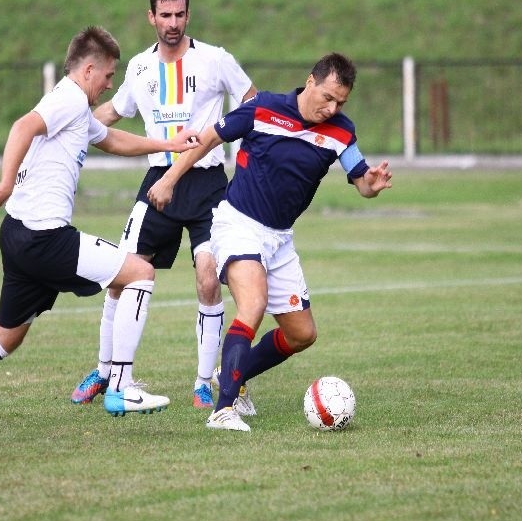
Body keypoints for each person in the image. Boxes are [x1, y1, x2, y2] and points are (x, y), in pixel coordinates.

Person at [0, 26, 199, 433]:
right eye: (109, 75)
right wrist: (5, 184)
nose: (110, 84)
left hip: (18, 236)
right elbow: (22, 127)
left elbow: (110, 139)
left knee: (6, 337)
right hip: (46, 237)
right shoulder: (69, 99)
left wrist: (170, 144)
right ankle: (121, 386)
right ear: (90, 69)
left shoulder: (75, 106)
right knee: (140, 273)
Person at [147, 53, 393, 431]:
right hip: (238, 223)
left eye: (340, 102)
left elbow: (361, 180)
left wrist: (371, 187)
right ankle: (223, 409)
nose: (332, 107)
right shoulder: (261, 108)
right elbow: (209, 138)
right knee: (254, 303)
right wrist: (169, 179)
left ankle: (233, 373)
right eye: (327, 97)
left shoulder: (343, 133)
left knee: (302, 334)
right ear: (310, 81)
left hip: (279, 240)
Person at [70, 0, 257, 411]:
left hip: (208, 184)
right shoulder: (137, 67)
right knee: (122, 275)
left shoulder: (215, 60)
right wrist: (65, 122)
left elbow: (251, 101)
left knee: (209, 278)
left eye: (179, 14)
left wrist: (247, 151)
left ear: (188, 14)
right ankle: (106, 372)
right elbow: (111, 113)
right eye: (164, 15)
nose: (172, 23)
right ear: (151, 16)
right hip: (157, 179)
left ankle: (203, 381)